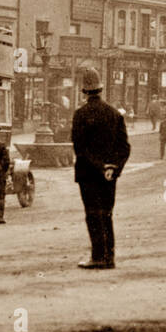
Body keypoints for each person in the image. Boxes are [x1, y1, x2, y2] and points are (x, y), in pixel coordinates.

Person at [71, 68, 132, 270]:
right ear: (101, 89)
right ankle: (110, 256)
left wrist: (99, 166)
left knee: (92, 214)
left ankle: (98, 256)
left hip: (88, 174)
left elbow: (80, 149)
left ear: (84, 91)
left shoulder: (80, 115)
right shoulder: (115, 114)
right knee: (107, 213)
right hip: (109, 176)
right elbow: (124, 147)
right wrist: (113, 167)